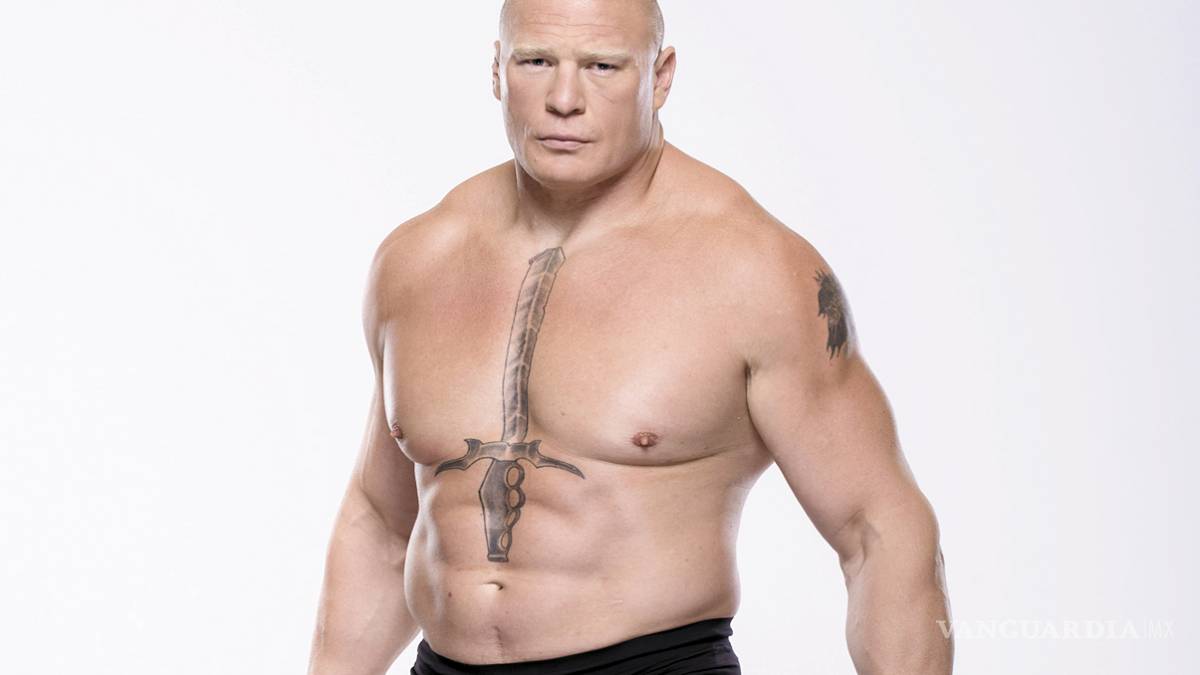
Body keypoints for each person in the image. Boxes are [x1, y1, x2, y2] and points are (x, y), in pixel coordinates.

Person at [307, 1, 953, 673]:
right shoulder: (419, 259)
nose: (564, 99)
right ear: (497, 69)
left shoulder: (752, 269)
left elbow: (878, 530)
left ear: (661, 76)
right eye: (537, 61)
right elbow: (382, 525)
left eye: (602, 67)